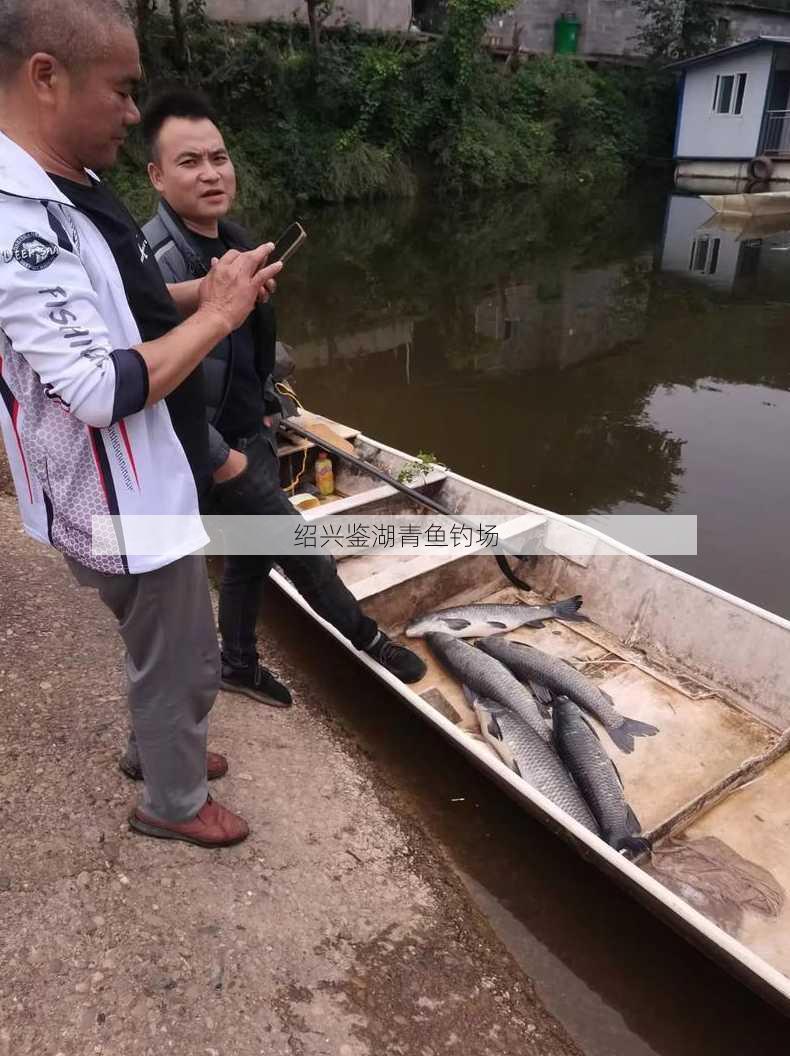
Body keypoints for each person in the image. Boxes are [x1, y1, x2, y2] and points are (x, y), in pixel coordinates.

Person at [0, 0, 281, 847]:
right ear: (46, 76)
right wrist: (221, 319)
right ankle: (174, 803)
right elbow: (98, 386)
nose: (132, 112)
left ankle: (156, 750)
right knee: (186, 655)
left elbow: (127, 311)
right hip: (117, 498)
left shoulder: (69, 183)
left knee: (160, 643)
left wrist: (211, 291)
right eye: (122, 91)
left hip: (130, 485)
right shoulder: (20, 224)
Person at [141, 89, 427, 704]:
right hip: (212, 453)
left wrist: (270, 405)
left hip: (255, 431)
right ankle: (368, 639)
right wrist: (221, 457)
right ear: (157, 177)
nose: (212, 173)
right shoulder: (153, 267)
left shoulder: (238, 242)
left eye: (219, 157)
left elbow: (247, 352)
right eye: (189, 162)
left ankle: (238, 664)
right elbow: (154, 384)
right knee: (303, 552)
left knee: (249, 562)